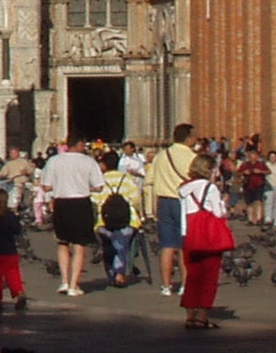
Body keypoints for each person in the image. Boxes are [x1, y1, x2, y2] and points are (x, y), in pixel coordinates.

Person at [39, 138, 105, 296]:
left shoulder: (54, 161)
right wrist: (83, 185)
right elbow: (99, 186)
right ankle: (74, 285)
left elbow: (46, 186)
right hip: (81, 203)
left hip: (61, 203)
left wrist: (62, 184)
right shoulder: (89, 162)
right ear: (81, 145)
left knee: (62, 243)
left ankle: (64, 281)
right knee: (79, 245)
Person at [179, 152, 228, 329]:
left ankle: (190, 316)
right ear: (209, 169)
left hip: (189, 236)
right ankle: (202, 317)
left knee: (192, 277)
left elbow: (184, 215)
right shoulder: (210, 188)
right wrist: (223, 202)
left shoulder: (184, 188)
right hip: (208, 238)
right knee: (208, 277)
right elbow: (218, 213)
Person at [148, 124, 198, 296]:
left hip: (164, 201)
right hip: (183, 202)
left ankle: (166, 285)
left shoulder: (161, 156)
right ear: (189, 138)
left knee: (167, 245)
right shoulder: (193, 158)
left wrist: (151, 207)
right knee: (185, 246)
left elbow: (150, 180)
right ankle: (185, 284)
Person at [91, 149, 142, 288]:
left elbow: (95, 201)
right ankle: (120, 273)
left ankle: (111, 273)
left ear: (104, 165)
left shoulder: (100, 180)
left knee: (108, 247)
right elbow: (136, 199)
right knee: (122, 246)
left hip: (103, 222)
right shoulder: (127, 179)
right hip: (127, 220)